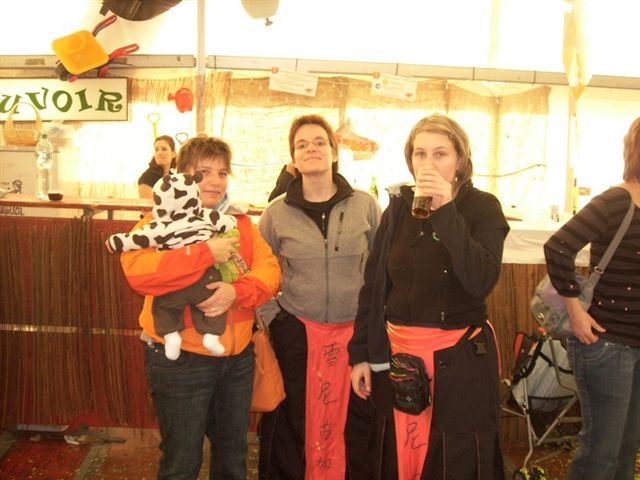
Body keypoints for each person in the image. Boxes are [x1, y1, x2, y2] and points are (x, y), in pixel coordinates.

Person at [348, 113, 509, 479]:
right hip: (400, 357)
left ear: (460, 161)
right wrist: (362, 355)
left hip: (460, 357)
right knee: (398, 456)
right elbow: (374, 286)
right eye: (420, 154)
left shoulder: (482, 207)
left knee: (453, 461)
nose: (428, 163)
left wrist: (446, 209)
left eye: (440, 154)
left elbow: (481, 279)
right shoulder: (399, 208)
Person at [119, 136, 281, 479]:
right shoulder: (158, 222)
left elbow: (269, 271)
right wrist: (204, 253)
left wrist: (236, 292)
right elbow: (139, 273)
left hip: (236, 358)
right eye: (203, 172)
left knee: (233, 457)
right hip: (180, 359)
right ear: (181, 177)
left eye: (222, 173)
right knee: (181, 461)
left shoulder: (240, 223)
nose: (214, 181)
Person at [257, 114, 382, 479]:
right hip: (299, 335)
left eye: (319, 142)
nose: (311, 149)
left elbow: (381, 270)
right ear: (293, 159)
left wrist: (374, 322)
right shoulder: (276, 213)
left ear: (334, 151)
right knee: (295, 423)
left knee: (355, 424)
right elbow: (258, 270)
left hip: (355, 337)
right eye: (302, 145)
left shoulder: (365, 205)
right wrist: (275, 318)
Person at [544, 117, 640, 480]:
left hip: (636, 344)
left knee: (627, 449)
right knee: (600, 454)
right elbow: (558, 247)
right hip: (606, 343)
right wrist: (575, 311)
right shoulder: (617, 200)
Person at [138, 134, 178, 199]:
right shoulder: (147, 178)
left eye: (164, 149)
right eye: (156, 149)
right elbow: (149, 204)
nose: (159, 153)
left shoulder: (174, 177)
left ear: (173, 153)